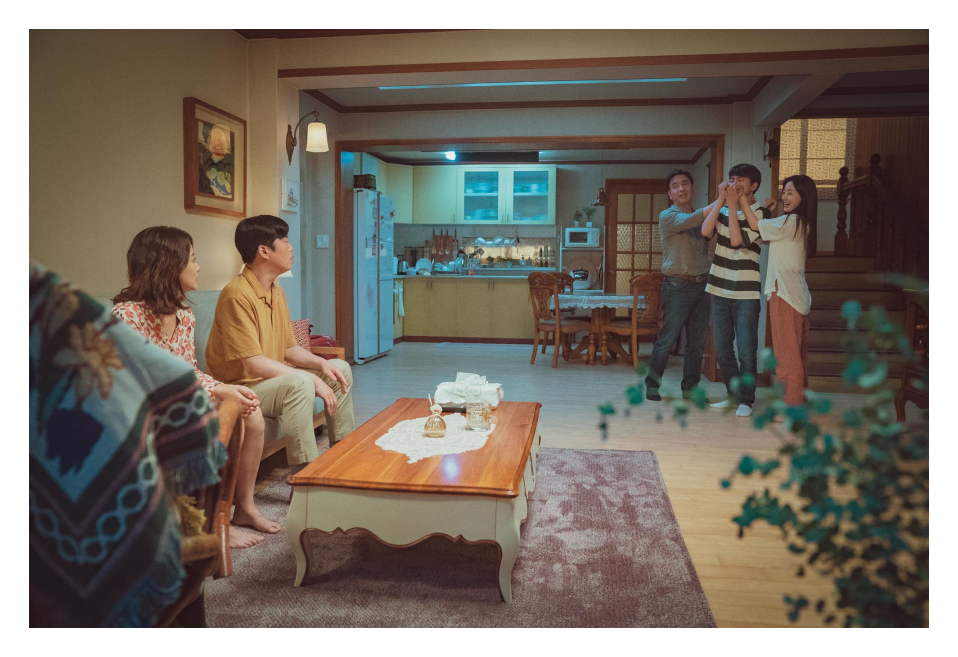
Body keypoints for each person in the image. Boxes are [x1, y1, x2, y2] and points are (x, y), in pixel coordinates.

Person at [112, 226, 280, 549]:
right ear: (168, 266)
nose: (198, 267)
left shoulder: (184, 315)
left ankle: (243, 508)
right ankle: (209, 523)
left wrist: (222, 389)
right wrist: (213, 395)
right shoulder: (127, 316)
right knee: (210, 422)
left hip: (177, 403)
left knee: (250, 412)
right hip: (136, 412)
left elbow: (188, 372)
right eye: (192, 259)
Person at [205, 215, 355, 479]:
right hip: (241, 388)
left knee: (339, 368)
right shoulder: (236, 294)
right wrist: (310, 378)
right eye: (284, 241)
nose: (291, 247)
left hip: (269, 383)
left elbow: (289, 349)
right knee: (301, 382)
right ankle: (304, 478)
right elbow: (253, 364)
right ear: (264, 251)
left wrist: (321, 364)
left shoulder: (276, 291)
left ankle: (342, 460)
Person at [739, 175, 817, 408]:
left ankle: (791, 407)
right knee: (796, 354)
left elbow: (755, 226)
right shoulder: (797, 223)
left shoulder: (792, 221)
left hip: (784, 293)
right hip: (795, 295)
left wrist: (741, 199)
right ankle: (798, 402)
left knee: (786, 355)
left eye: (790, 193)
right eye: (784, 192)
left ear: (804, 197)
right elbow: (766, 235)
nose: (785, 197)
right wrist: (768, 214)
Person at [645, 169, 723, 401]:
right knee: (667, 340)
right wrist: (722, 198)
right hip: (677, 286)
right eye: (675, 186)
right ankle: (652, 385)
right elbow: (693, 219)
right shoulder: (668, 216)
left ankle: (690, 389)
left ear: (692, 187)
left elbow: (708, 227)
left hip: (702, 285)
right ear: (670, 194)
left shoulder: (705, 217)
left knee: (696, 344)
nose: (681, 188)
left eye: (685, 183)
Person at [701, 164, 768, 417]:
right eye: (731, 180)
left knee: (746, 350)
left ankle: (746, 400)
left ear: (754, 186)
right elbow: (705, 231)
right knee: (722, 348)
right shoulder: (723, 210)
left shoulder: (760, 214)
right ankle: (732, 396)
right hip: (719, 288)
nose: (734, 184)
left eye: (740, 181)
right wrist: (721, 200)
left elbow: (737, 240)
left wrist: (733, 206)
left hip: (746, 293)